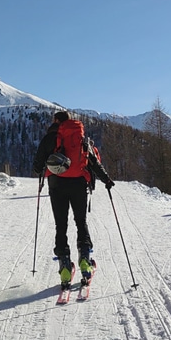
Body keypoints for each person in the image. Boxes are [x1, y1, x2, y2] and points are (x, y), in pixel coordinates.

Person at [32, 110, 114, 287]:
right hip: (79, 185)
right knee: (81, 222)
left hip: (57, 185)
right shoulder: (81, 138)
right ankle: (85, 262)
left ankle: (65, 268)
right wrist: (107, 180)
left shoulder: (50, 138)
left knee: (61, 225)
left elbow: (37, 167)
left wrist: (47, 165)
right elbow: (93, 162)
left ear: (56, 120)